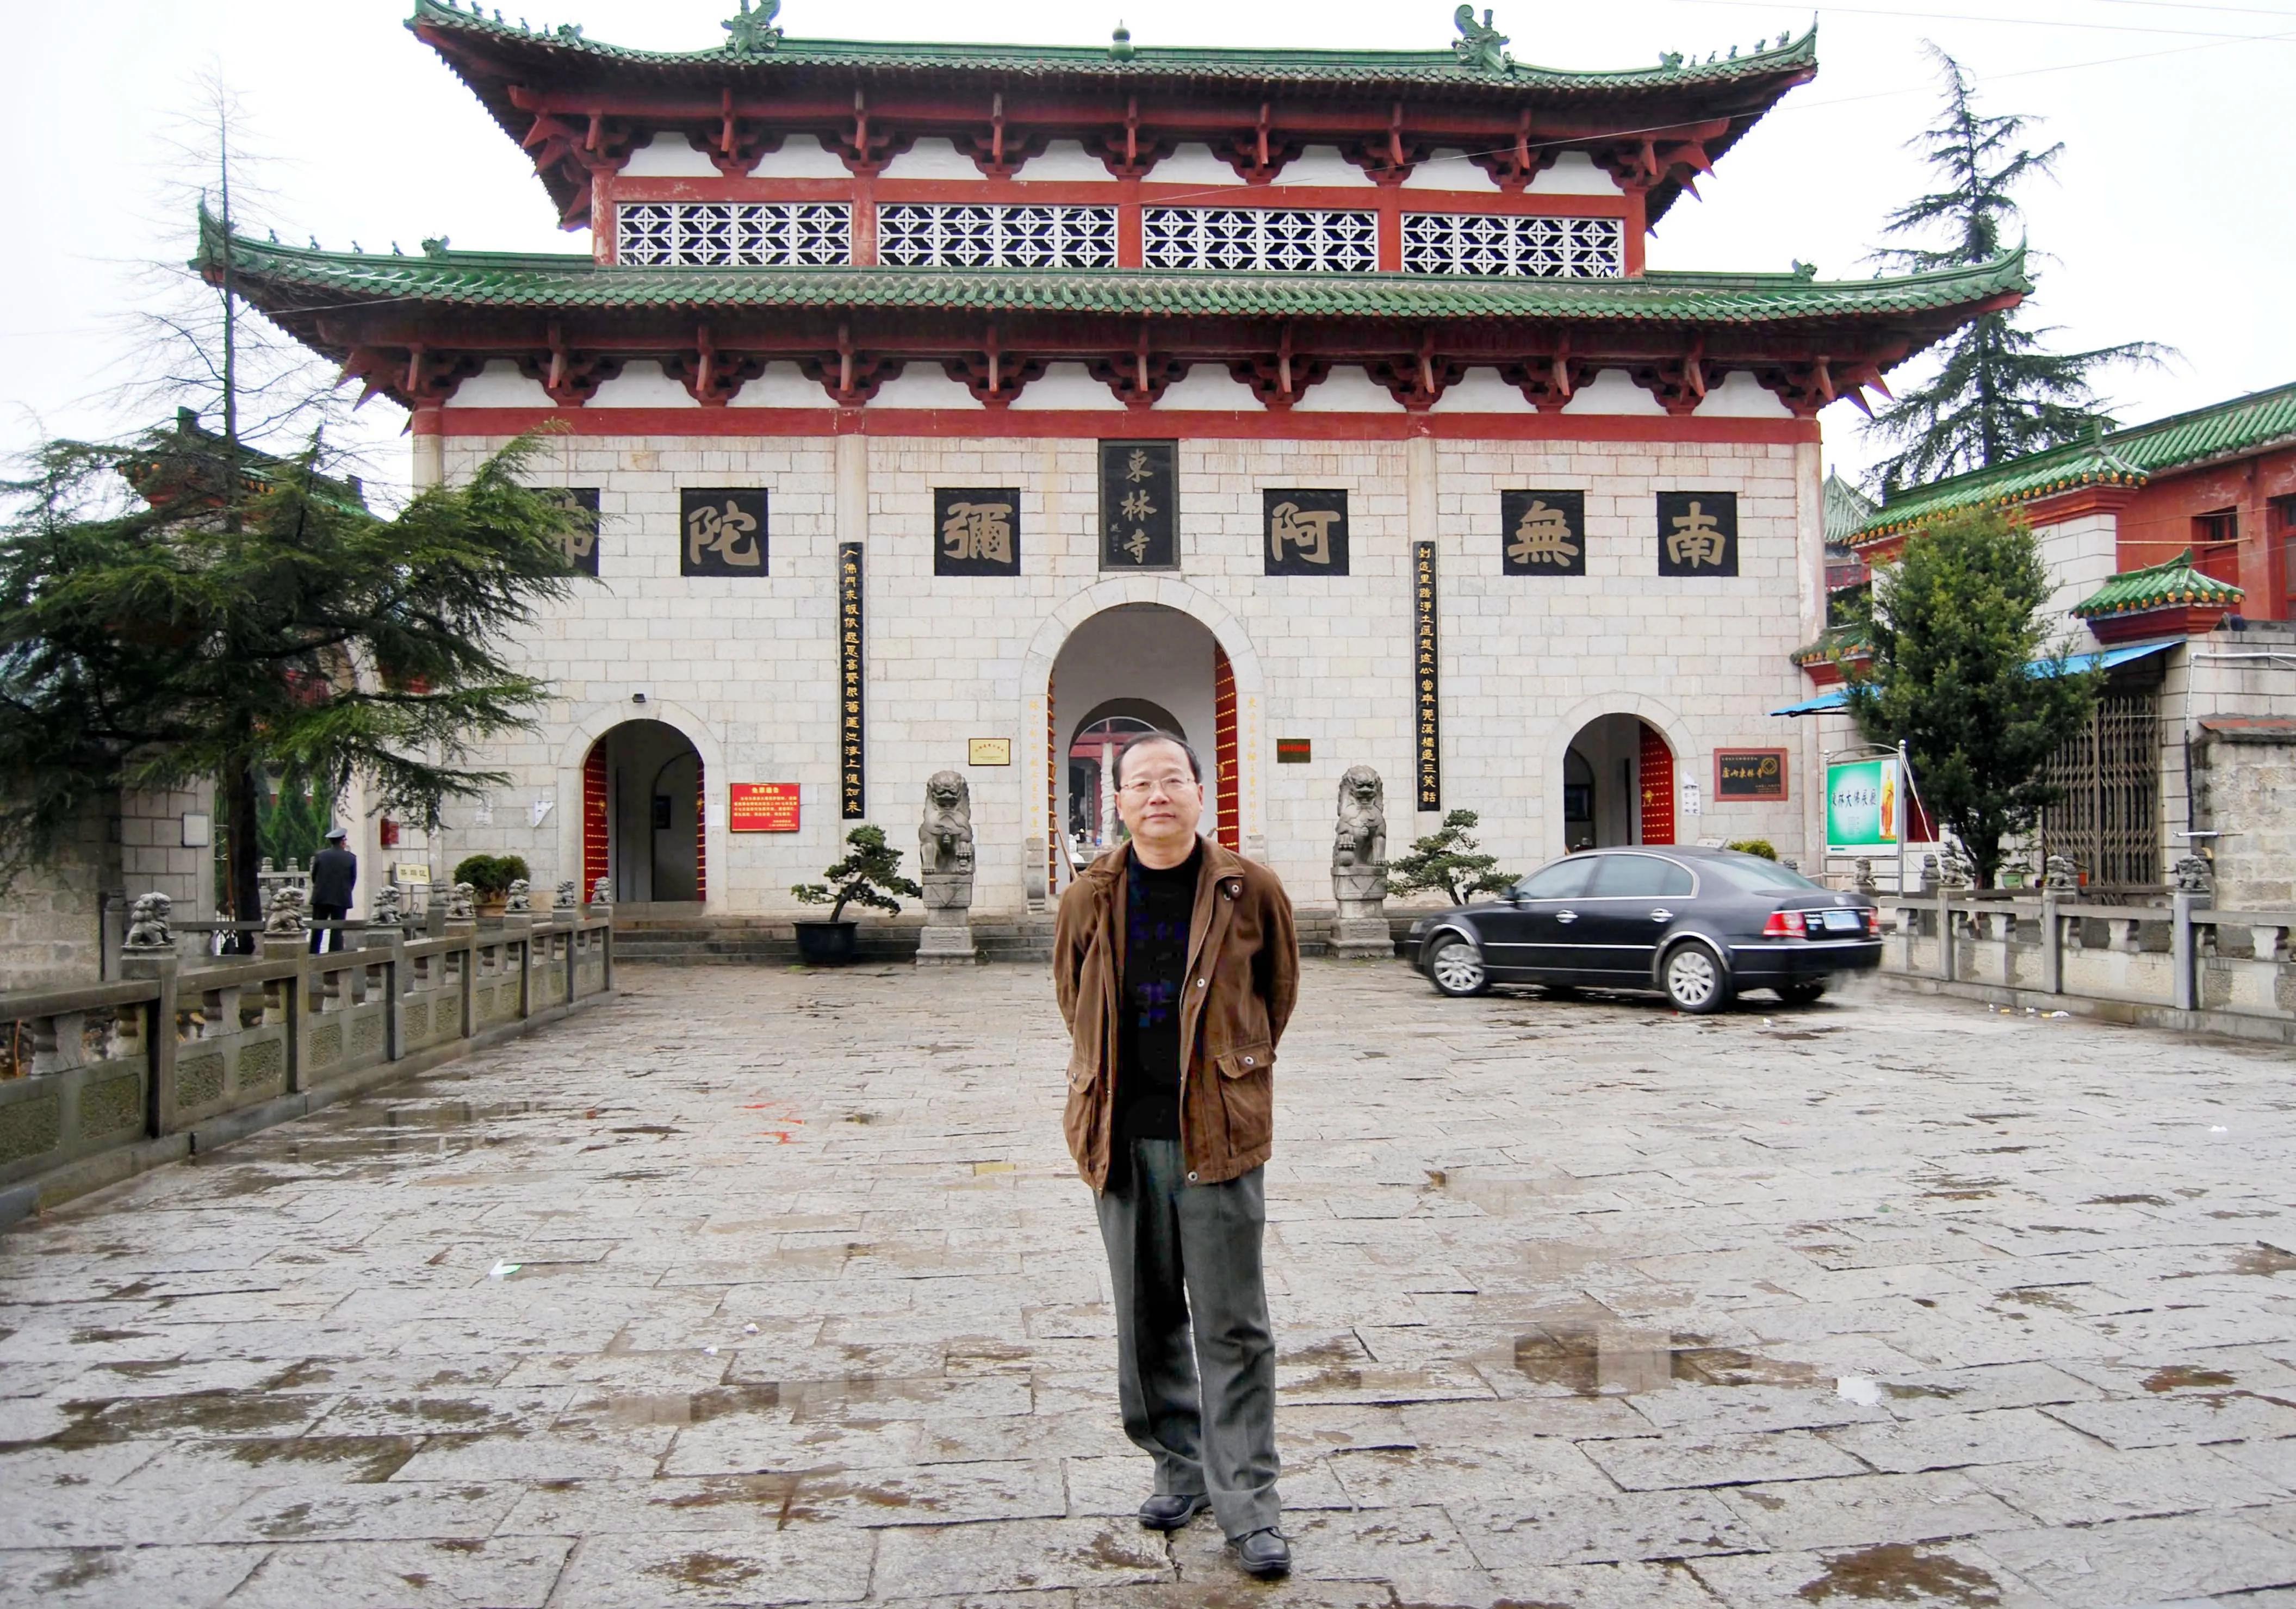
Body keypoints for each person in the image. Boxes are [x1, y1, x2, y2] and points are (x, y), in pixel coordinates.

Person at [1052, 730, 1299, 1579]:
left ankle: (1250, 1503)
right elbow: (1071, 996)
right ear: (1116, 801)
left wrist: (1228, 1076)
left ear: (1202, 791)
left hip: (1217, 1138)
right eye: (1138, 783)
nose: (1156, 795)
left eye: (1172, 779)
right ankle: (1178, 1466)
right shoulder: (1089, 894)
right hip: (1122, 1137)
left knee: (1233, 1323)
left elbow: (1276, 997)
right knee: (1143, 1317)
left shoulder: (1247, 888)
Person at [308, 826, 358, 953]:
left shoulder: (320, 856)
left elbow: (314, 876)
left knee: (317, 929)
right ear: (343, 842)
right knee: (337, 930)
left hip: (321, 897)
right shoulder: (351, 858)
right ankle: (334, 956)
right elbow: (353, 879)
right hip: (341, 898)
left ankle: (313, 954)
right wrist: (345, 891)